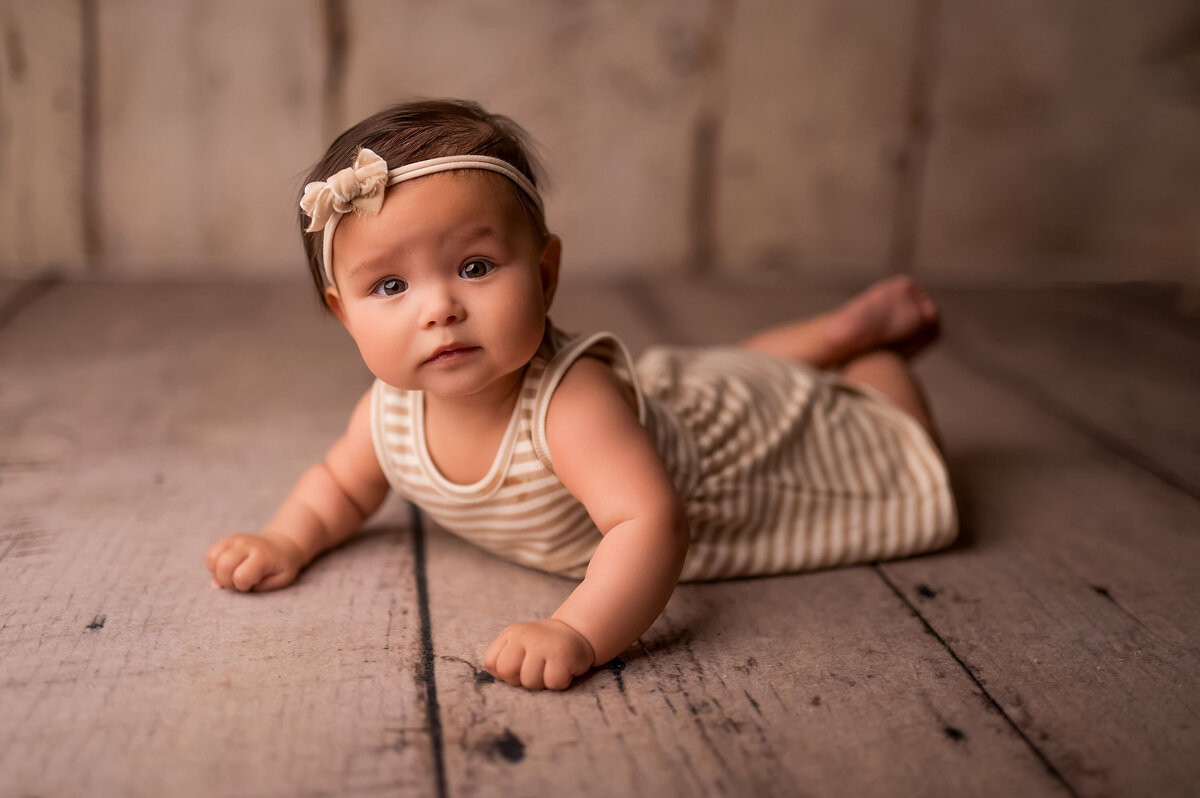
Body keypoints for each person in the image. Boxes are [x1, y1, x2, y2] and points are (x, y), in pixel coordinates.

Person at [205, 99, 957, 691]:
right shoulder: (388, 411)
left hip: (739, 453)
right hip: (673, 401)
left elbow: (649, 524)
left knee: (834, 415)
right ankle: (828, 335)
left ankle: (874, 363)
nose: (438, 309)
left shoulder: (572, 406)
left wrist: (579, 631)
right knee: (712, 372)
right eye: (391, 285)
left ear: (546, 272)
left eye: (474, 267)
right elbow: (339, 485)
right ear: (343, 312)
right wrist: (287, 538)